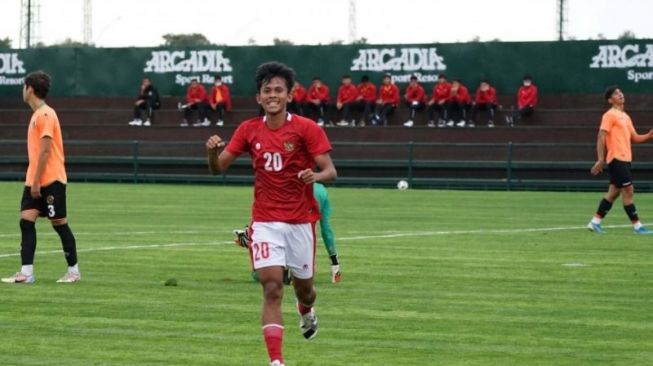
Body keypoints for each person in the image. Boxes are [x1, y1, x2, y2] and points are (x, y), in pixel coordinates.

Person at [205, 62, 337, 366]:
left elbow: (331, 170)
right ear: (259, 98)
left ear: (289, 95)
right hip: (264, 222)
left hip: (300, 221)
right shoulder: (249, 129)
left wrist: (315, 176)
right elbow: (218, 169)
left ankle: (305, 310)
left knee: (306, 291)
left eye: (279, 90)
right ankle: (276, 361)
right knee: (273, 287)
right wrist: (212, 152)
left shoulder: (306, 128)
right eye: (267, 90)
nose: (273, 95)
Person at [1, 71, 80, 284]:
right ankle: (26, 274)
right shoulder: (36, 115)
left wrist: (37, 181)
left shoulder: (46, 114)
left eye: (23, 86)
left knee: (59, 223)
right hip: (34, 179)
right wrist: (32, 180)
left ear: (30, 89)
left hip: (51, 179)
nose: (22, 90)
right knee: (26, 222)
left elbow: (45, 151)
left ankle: (74, 271)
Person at [234, 182, 342, 284]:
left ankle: (252, 240)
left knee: (258, 274)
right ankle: (253, 240)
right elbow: (326, 230)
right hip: (302, 245)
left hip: (282, 235)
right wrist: (335, 263)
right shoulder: (321, 191)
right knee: (305, 276)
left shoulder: (282, 187)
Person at [586, 86, 653, 235]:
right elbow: (601, 136)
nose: (620, 94)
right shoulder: (609, 115)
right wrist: (600, 159)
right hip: (616, 158)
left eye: (621, 92)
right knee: (628, 190)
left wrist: (648, 136)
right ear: (610, 100)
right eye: (616, 93)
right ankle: (638, 227)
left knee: (614, 193)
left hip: (625, 159)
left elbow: (634, 137)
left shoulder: (626, 116)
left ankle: (594, 222)